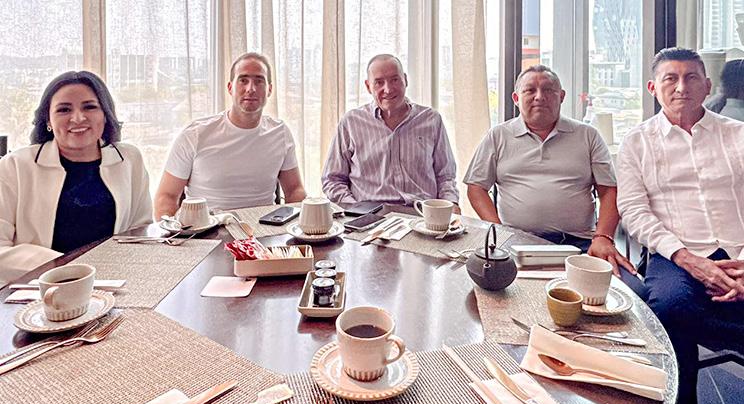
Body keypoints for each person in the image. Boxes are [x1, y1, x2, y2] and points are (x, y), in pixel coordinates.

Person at [617, 47, 744, 404]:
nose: (681, 87)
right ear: (653, 88)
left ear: (707, 86)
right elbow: (634, 212)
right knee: (670, 307)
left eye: (691, 78)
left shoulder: (737, 135)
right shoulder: (637, 142)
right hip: (675, 255)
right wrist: (688, 259)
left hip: (738, 249)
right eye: (670, 79)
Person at [464, 65, 635, 279]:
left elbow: (609, 190)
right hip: (516, 244)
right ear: (516, 98)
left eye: (548, 90)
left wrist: (603, 237)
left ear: (561, 96)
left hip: (579, 244)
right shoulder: (498, 136)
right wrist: (498, 231)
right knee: (488, 284)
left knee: (630, 289)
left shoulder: (587, 135)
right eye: (530, 90)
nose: (539, 97)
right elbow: (476, 187)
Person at [0, 71, 153, 286]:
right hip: (39, 289)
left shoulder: (129, 159)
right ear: (48, 120)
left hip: (113, 284)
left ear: (105, 114)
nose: (78, 118)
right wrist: (66, 265)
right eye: (64, 109)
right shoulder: (15, 166)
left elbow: (140, 230)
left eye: (90, 107)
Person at [154, 52, 306, 217]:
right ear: (230, 88)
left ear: (269, 90)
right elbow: (166, 197)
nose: (251, 89)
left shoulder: (280, 133)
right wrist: (170, 230)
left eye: (259, 81)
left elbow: (294, 190)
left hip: (264, 227)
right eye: (243, 80)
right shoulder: (195, 134)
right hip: (206, 228)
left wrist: (305, 220)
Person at [321, 54, 459, 208]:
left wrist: (450, 206)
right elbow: (332, 180)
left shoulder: (431, 119)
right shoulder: (351, 122)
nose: (388, 89)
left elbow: (446, 176)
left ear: (405, 80)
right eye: (379, 82)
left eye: (395, 80)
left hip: (421, 214)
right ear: (368, 86)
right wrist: (355, 209)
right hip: (369, 214)